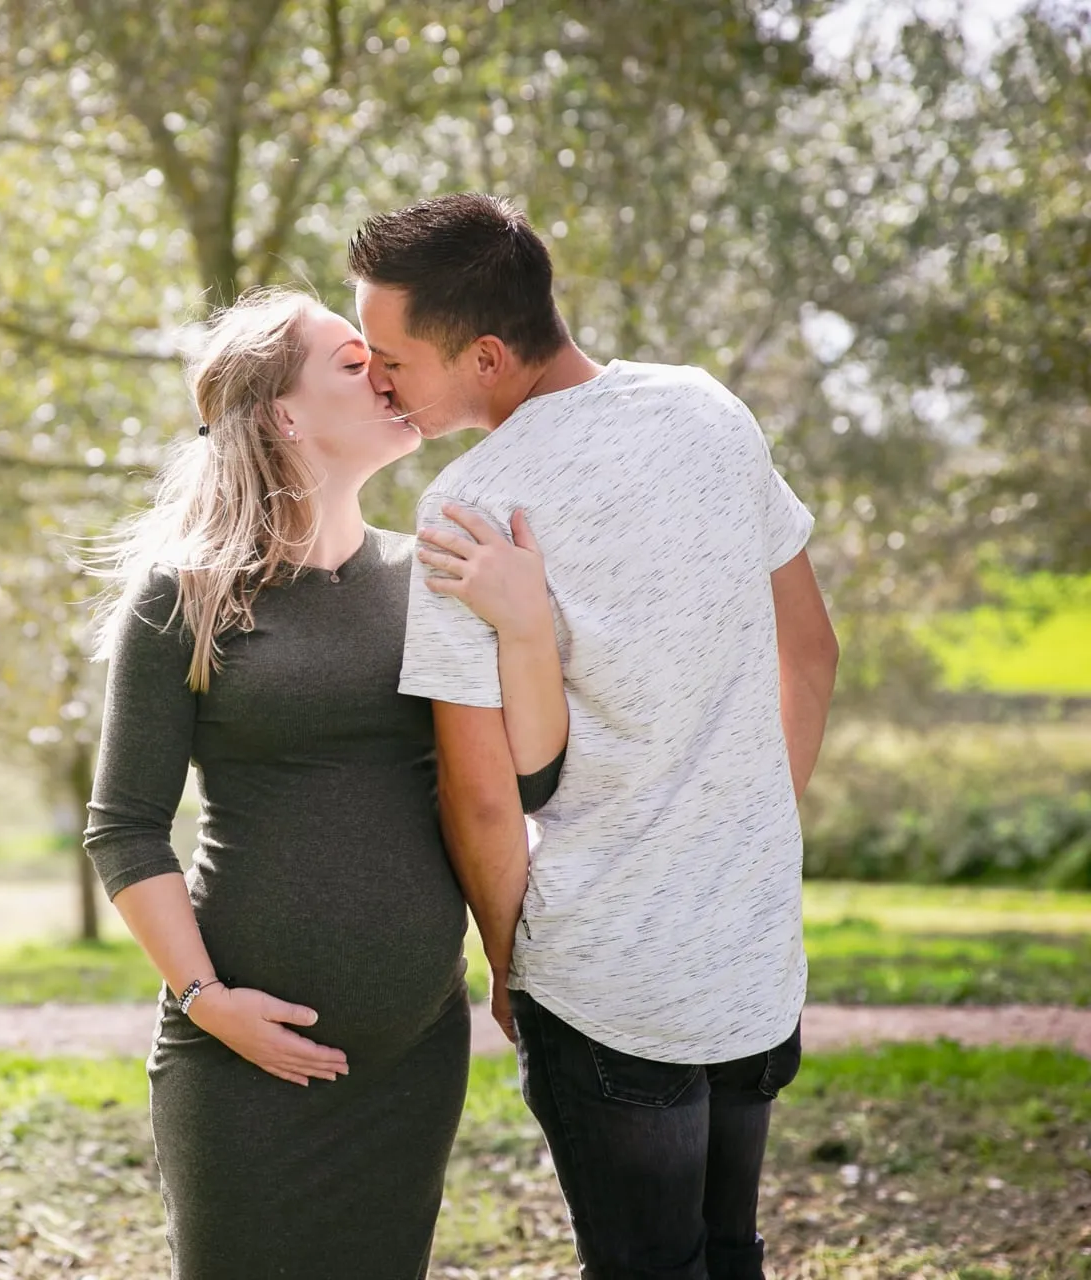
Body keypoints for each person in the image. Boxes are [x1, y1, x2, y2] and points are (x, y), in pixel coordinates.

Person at [349, 193, 840, 1280]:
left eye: (392, 360)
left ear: (484, 356)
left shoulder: (468, 511)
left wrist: (509, 960)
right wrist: (749, 831)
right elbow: (811, 654)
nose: (377, 381)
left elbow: (483, 795)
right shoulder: (709, 409)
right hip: (753, 950)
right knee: (732, 1253)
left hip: (607, 983)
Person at [82, 285, 569, 1280]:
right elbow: (124, 826)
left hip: (412, 1057)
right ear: (283, 416)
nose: (388, 374)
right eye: (355, 362)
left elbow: (520, 780)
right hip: (235, 1061)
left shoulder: (436, 576)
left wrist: (525, 625)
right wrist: (206, 998)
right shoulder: (186, 594)